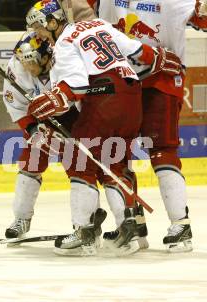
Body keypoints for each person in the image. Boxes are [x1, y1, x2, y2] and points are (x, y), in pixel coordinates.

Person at [26, 0, 182, 256]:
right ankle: (130, 230)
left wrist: (53, 99)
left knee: (79, 161)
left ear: (53, 22)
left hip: (104, 98)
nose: (38, 35)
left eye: (39, 27)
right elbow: (137, 50)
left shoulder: (64, 44)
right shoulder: (97, 24)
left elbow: (75, 84)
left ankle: (84, 232)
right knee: (114, 163)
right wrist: (160, 58)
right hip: (132, 97)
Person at [87, 0, 207, 253]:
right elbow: (74, 14)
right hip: (120, 78)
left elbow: (202, 18)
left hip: (161, 80)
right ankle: (132, 225)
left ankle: (180, 224)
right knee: (115, 152)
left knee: (162, 149)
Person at [2, 30, 82, 240]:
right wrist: (32, 129)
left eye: (32, 63)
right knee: (30, 163)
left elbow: (81, 92)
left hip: (71, 116)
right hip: (38, 117)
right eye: (24, 63)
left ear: (46, 57)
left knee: (79, 169)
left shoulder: (65, 58)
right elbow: (16, 106)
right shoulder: (17, 68)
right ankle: (21, 218)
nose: (27, 68)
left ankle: (84, 224)